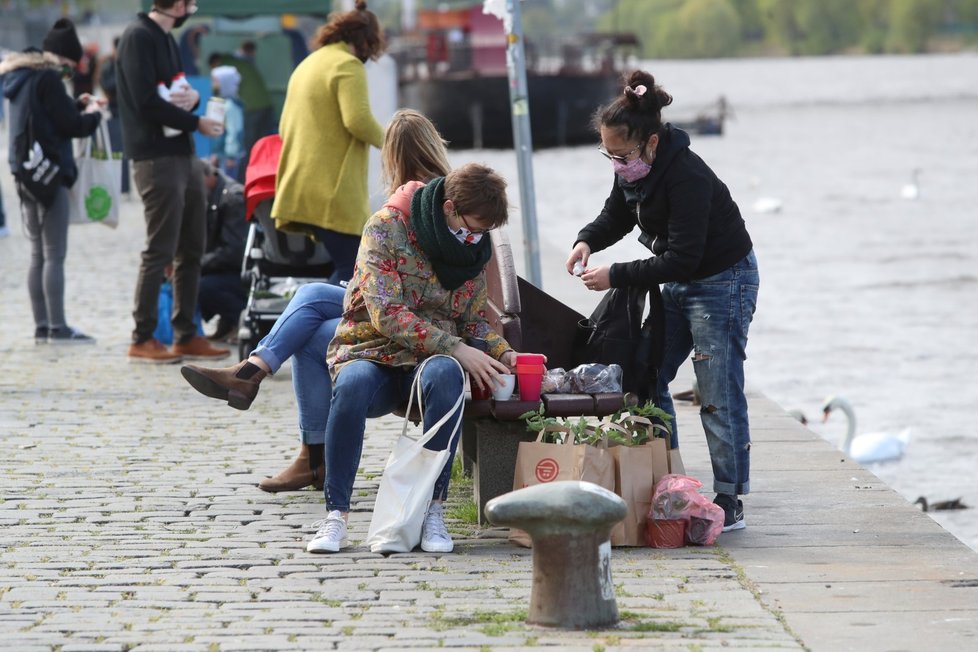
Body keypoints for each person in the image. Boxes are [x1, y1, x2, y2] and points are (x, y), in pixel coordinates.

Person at [180, 109, 454, 494]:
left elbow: (402, 293)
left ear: (390, 155)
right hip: (398, 307)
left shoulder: (411, 202)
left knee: (310, 336)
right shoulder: (442, 193)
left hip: (409, 322)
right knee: (309, 295)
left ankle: (311, 454)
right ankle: (254, 371)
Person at [565, 70, 759, 533]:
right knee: (649, 371)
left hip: (723, 280)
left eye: (623, 155)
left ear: (651, 143)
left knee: (717, 391)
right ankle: (669, 478)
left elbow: (683, 260)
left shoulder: (686, 175)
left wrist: (616, 275)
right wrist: (586, 241)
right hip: (680, 278)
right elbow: (617, 214)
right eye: (607, 155)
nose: (616, 163)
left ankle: (730, 497)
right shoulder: (632, 168)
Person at [303, 163, 523, 554]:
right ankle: (336, 516)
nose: (475, 239)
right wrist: (455, 347)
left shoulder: (472, 250)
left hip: (427, 363)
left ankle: (432, 510)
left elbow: (471, 322)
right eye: (472, 228)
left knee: (447, 376)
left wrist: (506, 355)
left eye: (483, 233)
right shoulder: (386, 227)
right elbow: (385, 312)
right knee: (352, 386)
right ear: (451, 208)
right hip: (371, 350)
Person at [117, 0, 228, 364]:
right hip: (155, 156)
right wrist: (196, 122)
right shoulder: (138, 37)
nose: (191, 8)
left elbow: (177, 90)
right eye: (188, 2)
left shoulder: (164, 38)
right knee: (160, 249)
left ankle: (186, 333)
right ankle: (143, 335)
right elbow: (145, 102)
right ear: (175, 4)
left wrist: (194, 99)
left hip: (182, 153)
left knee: (192, 246)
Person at [2, 18, 105, 343]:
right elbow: (71, 125)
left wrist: (75, 108)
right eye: (70, 66)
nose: (70, 73)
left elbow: (48, 116)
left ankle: (42, 325)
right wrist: (94, 115)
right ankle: (58, 327)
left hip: (25, 172)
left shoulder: (21, 76)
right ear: (61, 57)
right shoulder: (48, 77)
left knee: (37, 254)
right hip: (50, 174)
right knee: (54, 254)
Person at [272, 0, 386, 285]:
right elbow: (358, 120)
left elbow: (284, 126)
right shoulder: (347, 65)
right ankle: (305, 327)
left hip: (302, 187)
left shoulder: (310, 62)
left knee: (342, 268)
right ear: (366, 42)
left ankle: (318, 325)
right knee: (352, 273)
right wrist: (396, 141)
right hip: (332, 193)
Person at [198, 162, 248, 342]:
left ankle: (237, 317)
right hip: (230, 269)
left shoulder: (233, 198)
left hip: (241, 272)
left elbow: (233, 252)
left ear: (208, 178)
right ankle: (228, 321)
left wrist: (198, 264)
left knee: (198, 284)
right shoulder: (214, 194)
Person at [96, 37, 129, 195]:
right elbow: (106, 84)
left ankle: (124, 187)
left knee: (124, 152)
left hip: (126, 111)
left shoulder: (127, 64)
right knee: (115, 150)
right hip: (113, 112)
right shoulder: (109, 65)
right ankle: (116, 185)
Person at [208, 65, 246, 181]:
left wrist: (231, 156)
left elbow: (234, 132)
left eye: (215, 81)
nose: (213, 84)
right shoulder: (221, 103)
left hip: (229, 158)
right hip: (221, 155)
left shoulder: (231, 106)